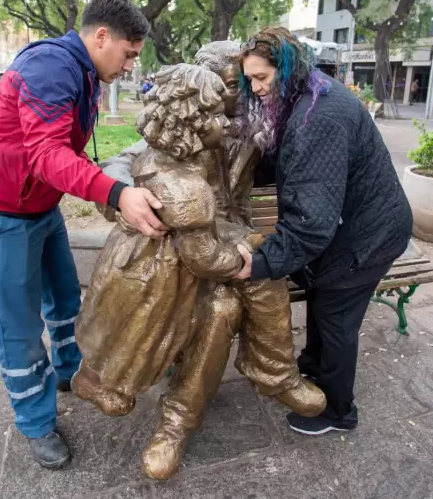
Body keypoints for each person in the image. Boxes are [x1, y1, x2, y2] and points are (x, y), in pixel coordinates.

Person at [74, 44, 324, 481]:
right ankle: (197, 413)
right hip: (175, 254)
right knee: (229, 299)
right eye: (230, 85)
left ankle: (233, 393)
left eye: (243, 84)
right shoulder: (184, 125)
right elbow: (120, 162)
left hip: (222, 240)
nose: (239, 94)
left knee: (249, 282)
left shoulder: (252, 130)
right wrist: (124, 199)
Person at [0, 0, 167, 470]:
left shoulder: (84, 71)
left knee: (65, 297)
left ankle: (72, 372)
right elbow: (47, 155)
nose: (130, 66)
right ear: (101, 36)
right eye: (128, 54)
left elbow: (62, 154)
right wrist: (116, 193)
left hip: (38, 203)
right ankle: (35, 420)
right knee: (20, 323)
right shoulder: (52, 67)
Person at [233, 27, 413, 436]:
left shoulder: (317, 118)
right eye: (250, 80)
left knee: (335, 317)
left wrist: (260, 264)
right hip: (356, 227)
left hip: (368, 238)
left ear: (288, 68)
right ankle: (314, 369)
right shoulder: (312, 94)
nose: (255, 88)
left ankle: (337, 411)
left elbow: (312, 223)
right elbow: (295, 165)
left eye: (262, 77)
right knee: (323, 297)